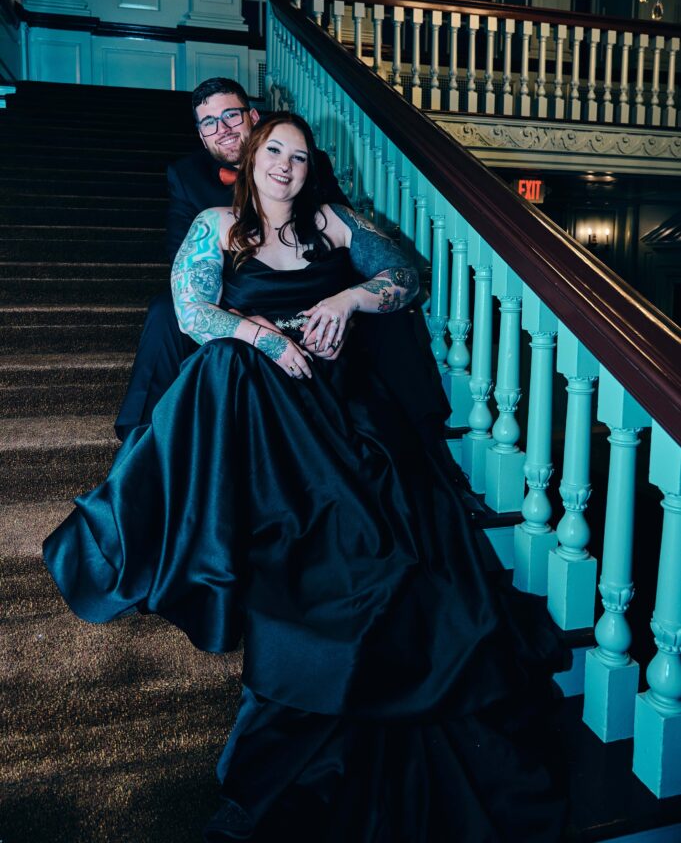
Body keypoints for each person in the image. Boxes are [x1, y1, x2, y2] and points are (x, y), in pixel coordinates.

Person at [44, 112, 568, 842]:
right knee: (223, 364)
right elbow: (193, 312)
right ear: (252, 157)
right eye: (274, 152)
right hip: (257, 397)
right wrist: (260, 334)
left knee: (374, 533)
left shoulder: (332, 221)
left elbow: (404, 277)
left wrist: (348, 299)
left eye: (299, 155)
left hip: (336, 399)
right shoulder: (217, 226)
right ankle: (183, 526)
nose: (286, 166)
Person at [115, 77, 449, 444]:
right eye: (209, 123)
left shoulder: (314, 176)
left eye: (231, 116)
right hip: (235, 290)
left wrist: (345, 310)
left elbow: (348, 252)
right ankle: (145, 434)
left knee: (389, 312)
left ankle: (419, 430)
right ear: (201, 133)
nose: (222, 130)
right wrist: (245, 320)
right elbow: (185, 272)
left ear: (253, 117)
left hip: (314, 285)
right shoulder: (190, 182)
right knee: (165, 308)